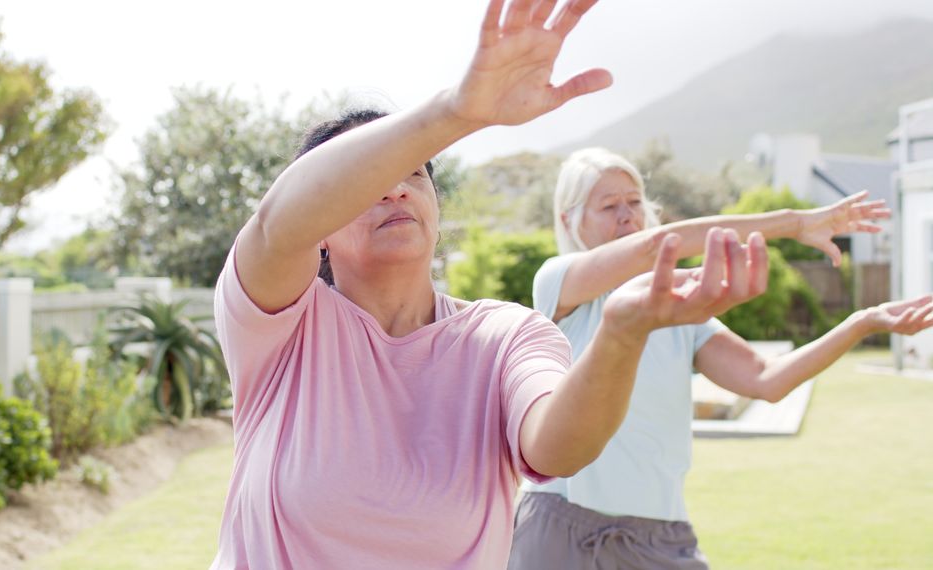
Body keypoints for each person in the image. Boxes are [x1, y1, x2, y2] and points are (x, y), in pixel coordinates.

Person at [209, 1, 771, 568]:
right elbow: (277, 225)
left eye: (414, 174)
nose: (396, 189)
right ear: (321, 230)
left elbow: (558, 447)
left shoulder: (504, 336)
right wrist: (458, 111)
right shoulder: (278, 324)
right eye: (370, 179)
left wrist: (621, 334)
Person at [507, 147, 933, 570]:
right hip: (560, 526)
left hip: (659, 532)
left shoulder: (680, 310)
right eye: (608, 205)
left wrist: (860, 324)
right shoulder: (559, 283)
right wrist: (794, 223)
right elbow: (653, 248)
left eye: (634, 201)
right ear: (569, 220)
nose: (627, 215)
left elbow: (767, 379)